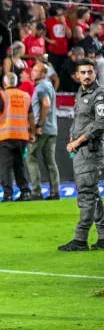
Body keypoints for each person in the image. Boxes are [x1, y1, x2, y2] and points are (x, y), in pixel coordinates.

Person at [58, 60, 104, 252]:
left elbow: (100, 123)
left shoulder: (99, 95)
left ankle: (80, 239)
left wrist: (77, 142)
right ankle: (103, 237)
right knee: (92, 194)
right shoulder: (81, 93)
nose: (86, 75)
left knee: (86, 194)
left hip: (90, 151)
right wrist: (71, 136)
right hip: (82, 150)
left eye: (90, 72)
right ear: (77, 75)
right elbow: (79, 119)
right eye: (83, 72)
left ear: (95, 73)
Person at [0, 73, 36, 202]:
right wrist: (32, 133)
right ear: (16, 83)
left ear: (5, 83)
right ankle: (25, 191)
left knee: (6, 167)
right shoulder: (25, 96)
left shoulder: (3, 95)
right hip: (22, 136)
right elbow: (31, 117)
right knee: (19, 165)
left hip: (6, 135)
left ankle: (8, 194)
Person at [28, 62, 60, 200]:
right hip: (52, 128)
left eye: (36, 70)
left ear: (43, 74)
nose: (32, 72)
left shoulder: (41, 87)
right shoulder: (49, 86)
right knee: (50, 161)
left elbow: (46, 104)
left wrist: (39, 125)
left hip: (43, 129)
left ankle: (36, 191)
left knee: (31, 158)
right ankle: (55, 191)